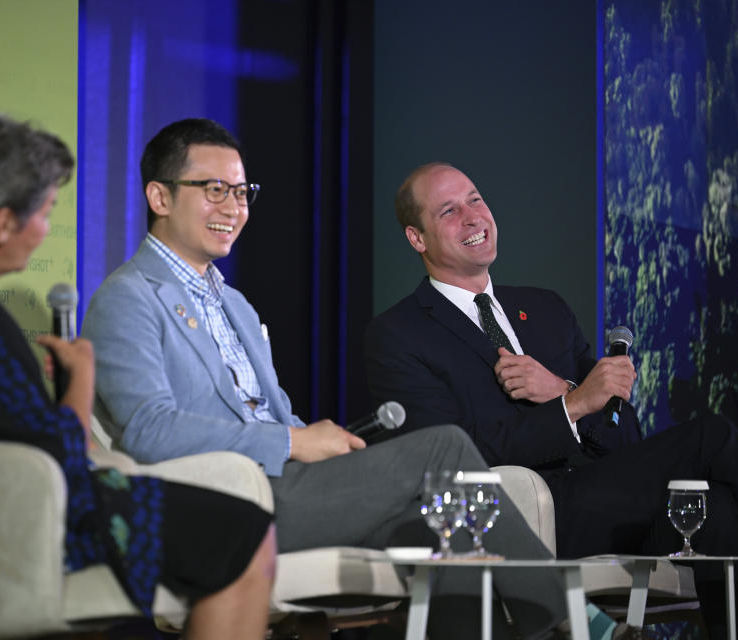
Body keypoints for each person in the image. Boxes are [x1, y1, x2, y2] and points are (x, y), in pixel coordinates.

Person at [81, 118, 587, 639]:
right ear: (159, 197)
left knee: (447, 532)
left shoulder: (232, 302)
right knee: (444, 451)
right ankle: (570, 621)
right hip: (228, 504)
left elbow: (268, 410)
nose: (234, 207)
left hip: (290, 486)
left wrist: (326, 442)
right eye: (214, 190)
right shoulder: (128, 298)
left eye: (241, 191)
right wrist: (294, 440)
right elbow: (147, 431)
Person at [0, 115, 276, 640]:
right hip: (29, 524)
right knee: (245, 531)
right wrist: (80, 382)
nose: (47, 229)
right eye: (46, 211)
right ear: (3, 224)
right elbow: (62, 461)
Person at [364, 161, 738, 638]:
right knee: (711, 435)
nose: (472, 216)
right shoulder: (399, 334)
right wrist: (571, 407)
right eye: (449, 210)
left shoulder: (547, 308)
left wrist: (562, 390)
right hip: (525, 520)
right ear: (417, 238)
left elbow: (622, 434)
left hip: (608, 500)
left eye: (475, 199)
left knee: (717, 511)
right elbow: (447, 458)